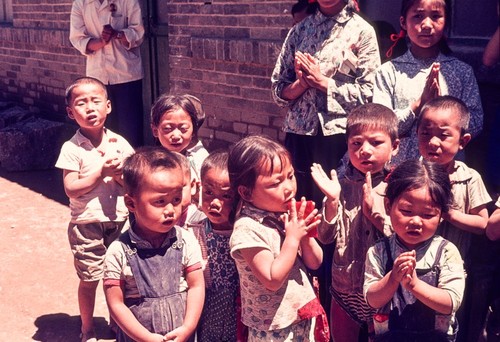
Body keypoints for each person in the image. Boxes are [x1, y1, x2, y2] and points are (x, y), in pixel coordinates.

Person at [271, 0, 380, 205]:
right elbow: (277, 89)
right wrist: (301, 85)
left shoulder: (362, 32)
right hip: (299, 134)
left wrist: (324, 83)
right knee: (297, 201)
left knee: (333, 204)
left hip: (339, 138)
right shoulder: (299, 31)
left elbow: (369, 94)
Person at [55, 77, 135, 342]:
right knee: (90, 278)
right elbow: (71, 188)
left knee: (119, 277)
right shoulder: (72, 148)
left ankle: (117, 322)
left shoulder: (120, 144)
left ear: (108, 106)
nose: (90, 108)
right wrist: (101, 173)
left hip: (120, 221)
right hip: (86, 223)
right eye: (81, 103)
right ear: (70, 112)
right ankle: (87, 328)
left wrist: (120, 175)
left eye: (96, 101)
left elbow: (132, 183)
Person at [311, 103, 399, 341]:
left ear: (395, 147)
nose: (365, 150)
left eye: (376, 142)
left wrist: (376, 217)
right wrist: (331, 201)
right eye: (356, 143)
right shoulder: (338, 184)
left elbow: (407, 238)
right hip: (344, 288)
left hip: (383, 291)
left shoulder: (400, 188)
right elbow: (325, 236)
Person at [228, 135, 329, 341]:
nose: (288, 187)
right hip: (273, 328)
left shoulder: (284, 215)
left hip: (300, 315)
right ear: (246, 193)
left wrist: (305, 236)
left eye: (290, 176)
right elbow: (272, 279)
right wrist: (292, 237)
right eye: (276, 183)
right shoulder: (247, 228)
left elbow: (315, 262)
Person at [103, 146, 205, 342]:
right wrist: (146, 338)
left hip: (181, 336)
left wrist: (188, 328)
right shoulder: (118, 251)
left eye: (176, 199)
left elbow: (196, 286)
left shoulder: (186, 240)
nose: (170, 210)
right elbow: (116, 304)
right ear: (131, 204)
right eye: (160, 201)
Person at [416, 95, 492, 341]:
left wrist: (448, 214)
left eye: (444, 135)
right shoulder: (412, 172)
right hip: (416, 268)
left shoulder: (469, 177)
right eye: (425, 134)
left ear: (463, 141)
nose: (433, 142)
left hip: (455, 271)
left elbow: (482, 224)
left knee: (447, 329)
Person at [364, 159, 466, 341]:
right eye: (407, 211)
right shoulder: (379, 251)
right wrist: (393, 278)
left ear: (441, 216)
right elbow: (372, 300)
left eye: (428, 215)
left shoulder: (446, 252)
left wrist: (414, 286)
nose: (416, 221)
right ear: (388, 206)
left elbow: (451, 303)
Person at [373, 0, 483, 166]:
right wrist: (418, 106)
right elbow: (381, 127)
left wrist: (444, 118)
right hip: (401, 169)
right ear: (403, 22)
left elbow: (476, 122)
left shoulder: (461, 71)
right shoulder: (388, 72)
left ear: (446, 22)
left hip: (446, 172)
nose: (426, 25)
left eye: (436, 16)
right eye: (418, 16)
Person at [69, 0, 145, 147]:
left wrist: (118, 34)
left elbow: (139, 32)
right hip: (98, 77)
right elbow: (78, 39)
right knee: (102, 129)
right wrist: (102, 41)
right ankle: (106, 168)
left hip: (126, 75)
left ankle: (132, 168)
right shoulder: (81, 4)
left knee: (131, 131)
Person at [190, 150, 244, 341]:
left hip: (239, 304)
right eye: (209, 192)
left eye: (226, 196)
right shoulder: (193, 227)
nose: (215, 202)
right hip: (206, 303)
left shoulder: (245, 230)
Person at [150, 94, 209, 182]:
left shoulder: (201, 163)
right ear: (155, 131)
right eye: (168, 128)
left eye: (183, 128)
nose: (176, 136)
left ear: (193, 131)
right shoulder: (148, 164)